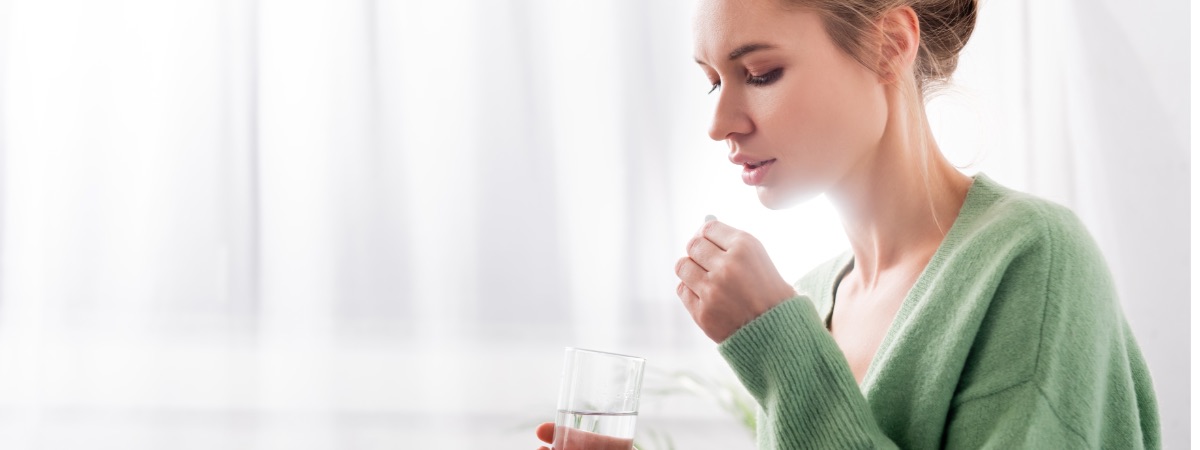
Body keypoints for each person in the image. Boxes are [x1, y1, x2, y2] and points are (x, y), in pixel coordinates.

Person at [537, 0, 1160, 447]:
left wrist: (779, 348)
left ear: (890, 45)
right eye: (712, 83)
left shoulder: (1031, 260)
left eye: (759, 74)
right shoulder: (812, 296)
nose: (720, 122)